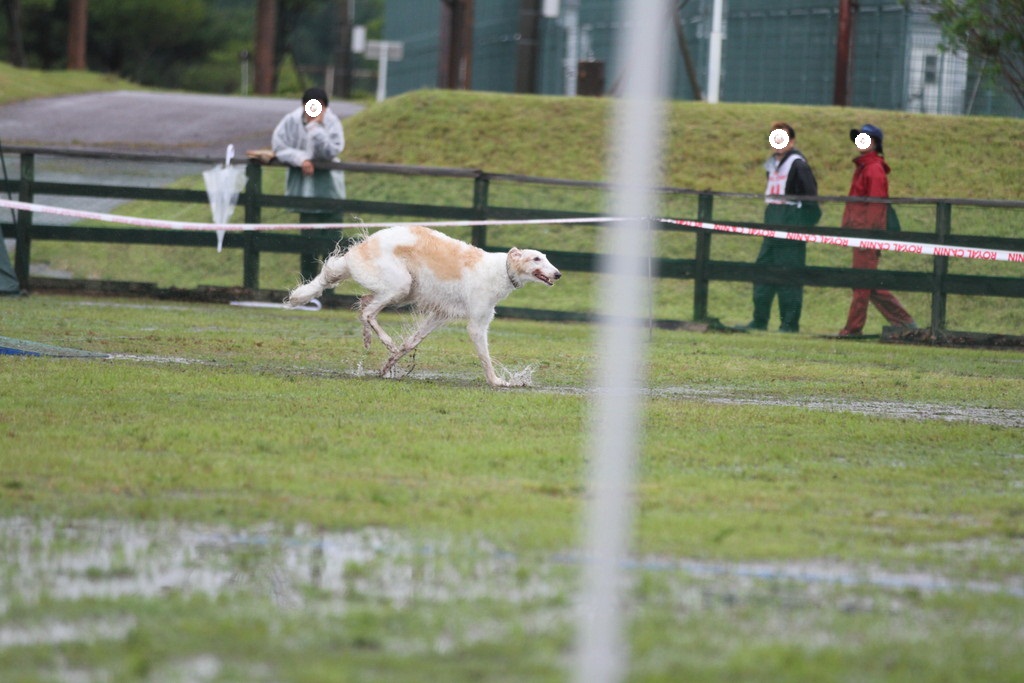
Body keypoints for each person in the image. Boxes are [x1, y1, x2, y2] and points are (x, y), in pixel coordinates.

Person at [838, 124, 916, 337]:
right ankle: (905, 323)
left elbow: (875, 206)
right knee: (869, 284)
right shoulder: (866, 167)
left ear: (875, 143)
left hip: (865, 235)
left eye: (866, 138)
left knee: (863, 283)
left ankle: (853, 329)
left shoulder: (872, 169)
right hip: (862, 233)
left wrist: (870, 236)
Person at [742, 122, 821, 333]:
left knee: (789, 276)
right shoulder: (772, 165)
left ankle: (789, 324)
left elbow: (811, 200)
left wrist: (800, 224)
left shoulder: (798, 164)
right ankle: (759, 320)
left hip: (791, 224)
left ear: (792, 141)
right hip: (771, 224)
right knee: (763, 272)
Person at [272, 87, 347, 280]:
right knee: (308, 243)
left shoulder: (331, 122)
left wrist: (315, 129)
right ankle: (307, 286)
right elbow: (279, 146)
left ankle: (329, 290)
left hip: (330, 191)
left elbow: (332, 151)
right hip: (304, 191)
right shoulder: (291, 120)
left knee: (332, 244)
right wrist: (301, 159)